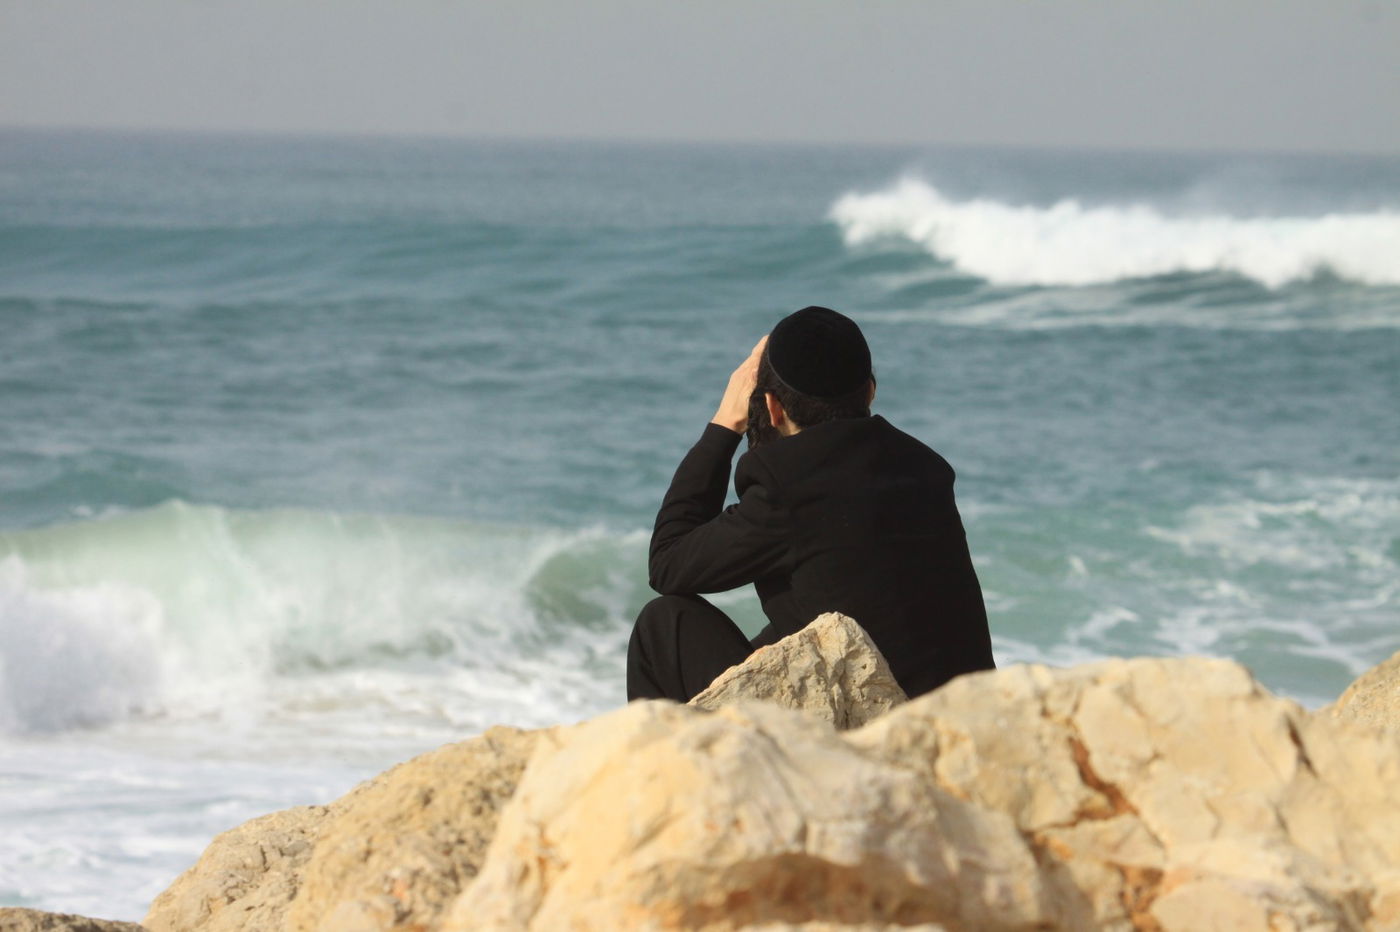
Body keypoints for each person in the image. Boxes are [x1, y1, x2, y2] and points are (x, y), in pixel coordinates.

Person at [626, 306, 995, 702]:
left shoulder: (784, 484)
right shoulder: (926, 467)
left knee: (663, 624)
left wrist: (724, 424)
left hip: (872, 719)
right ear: (870, 390)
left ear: (773, 407)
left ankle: (662, 762)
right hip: (964, 706)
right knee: (773, 640)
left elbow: (668, 564)